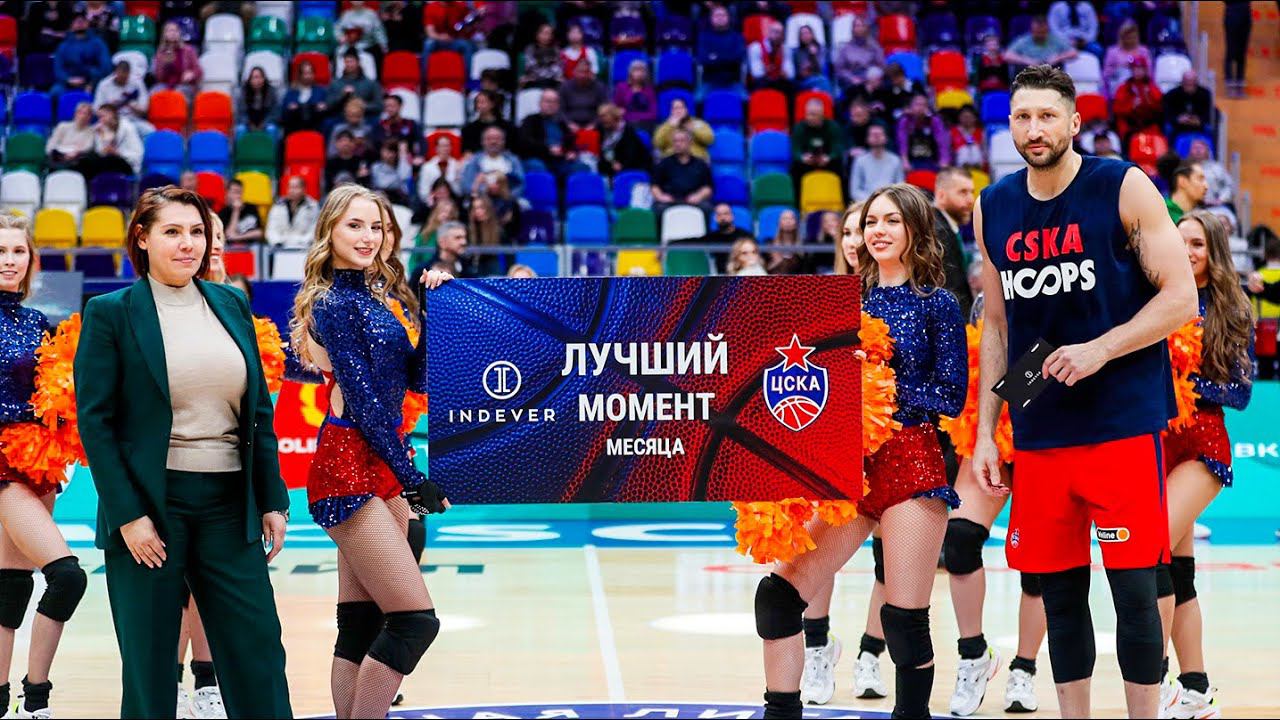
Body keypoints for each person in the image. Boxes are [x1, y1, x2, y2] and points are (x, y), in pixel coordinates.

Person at [972, 65, 1199, 719]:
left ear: (1074, 122)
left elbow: (1181, 298)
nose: (1034, 128)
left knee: (1135, 594)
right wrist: (987, 431)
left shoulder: (1121, 185)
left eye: (1047, 115)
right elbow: (997, 324)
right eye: (1022, 117)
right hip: (1041, 430)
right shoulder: (994, 205)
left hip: (1120, 425)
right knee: (1059, 596)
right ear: (1009, 126)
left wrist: (1101, 348)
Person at [75, 187, 293, 718]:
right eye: (172, 232)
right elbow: (97, 424)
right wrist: (129, 517)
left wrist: (272, 499)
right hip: (152, 507)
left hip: (229, 504)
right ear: (142, 238)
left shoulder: (231, 304)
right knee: (150, 669)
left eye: (196, 232)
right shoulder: (110, 313)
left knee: (259, 653)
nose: (188, 243)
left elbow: (258, 411)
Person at [756, 186, 967, 719]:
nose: (878, 231)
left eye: (891, 221)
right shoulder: (844, 303)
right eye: (872, 221)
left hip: (911, 467)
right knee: (777, 599)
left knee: (904, 621)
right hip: (847, 471)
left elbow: (951, 396)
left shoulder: (938, 304)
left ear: (916, 229)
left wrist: (877, 384)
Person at [289, 184, 449, 720]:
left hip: (381, 460)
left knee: (361, 625)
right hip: (348, 467)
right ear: (330, 231)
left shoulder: (381, 299)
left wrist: (432, 310)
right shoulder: (333, 304)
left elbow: (415, 381)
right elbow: (363, 405)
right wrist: (413, 478)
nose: (368, 237)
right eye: (354, 225)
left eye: (376, 227)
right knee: (414, 622)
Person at [1155, 211, 1254, 720]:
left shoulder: (1230, 309)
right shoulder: (1153, 297)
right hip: (1154, 443)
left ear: (1213, 252)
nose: (1187, 251)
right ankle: (1195, 689)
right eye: (1180, 242)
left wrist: (1182, 377)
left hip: (1200, 443)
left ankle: (1153, 680)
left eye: (1196, 243)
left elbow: (1239, 392)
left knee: (1150, 550)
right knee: (1179, 570)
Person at [0, 214, 88, 719]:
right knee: (67, 577)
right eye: (1, 251)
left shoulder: (38, 322)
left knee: (10, 588)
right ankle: (36, 700)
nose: (10, 260)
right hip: (1, 462)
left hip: (39, 460)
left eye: (19, 251)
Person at [932, 167, 976, 318]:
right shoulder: (937, 231)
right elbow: (949, 290)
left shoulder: (943, 226)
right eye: (963, 192)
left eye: (971, 192)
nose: (970, 200)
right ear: (941, 195)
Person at [459, 127, 525, 218]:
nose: (493, 142)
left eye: (497, 139)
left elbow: (520, 184)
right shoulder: (474, 160)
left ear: (503, 141)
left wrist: (507, 195)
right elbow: (466, 185)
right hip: (481, 201)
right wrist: (485, 190)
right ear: (483, 142)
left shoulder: (513, 160)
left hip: (507, 201)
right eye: (489, 139)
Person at [518, 89, 585, 178]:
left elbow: (572, 144)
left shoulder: (562, 124)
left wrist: (572, 152)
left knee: (582, 167)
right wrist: (548, 149)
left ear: (558, 105)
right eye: (548, 101)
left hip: (561, 160)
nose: (551, 105)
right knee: (537, 168)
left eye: (555, 102)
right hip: (539, 158)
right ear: (540, 103)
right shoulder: (530, 120)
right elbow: (525, 143)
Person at [651, 128, 714, 221]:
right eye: (675, 141)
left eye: (681, 141)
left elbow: (708, 188)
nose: (678, 144)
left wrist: (699, 196)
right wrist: (661, 197)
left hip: (693, 200)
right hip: (670, 201)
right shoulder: (664, 163)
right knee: (659, 209)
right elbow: (654, 186)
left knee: (706, 208)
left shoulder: (701, 164)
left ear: (690, 143)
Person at [53, 13, 112, 97]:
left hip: (92, 81)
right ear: (71, 25)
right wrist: (68, 80)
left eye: (83, 21)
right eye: (77, 21)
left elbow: (106, 66)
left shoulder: (98, 43)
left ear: (88, 24)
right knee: (55, 92)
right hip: (68, 82)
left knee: (101, 91)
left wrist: (92, 82)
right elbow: (58, 68)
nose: (80, 23)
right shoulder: (63, 46)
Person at [791, 98, 843, 186]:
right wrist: (802, 157)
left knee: (838, 164)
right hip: (807, 162)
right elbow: (795, 149)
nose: (810, 117)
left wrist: (829, 157)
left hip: (827, 161)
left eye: (814, 114)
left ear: (822, 115)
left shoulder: (833, 127)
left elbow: (837, 148)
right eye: (808, 114)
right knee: (795, 167)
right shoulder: (799, 127)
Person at [81, 104, 143, 178]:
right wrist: (101, 138)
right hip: (109, 162)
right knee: (86, 160)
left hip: (128, 164)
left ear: (112, 115)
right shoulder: (102, 128)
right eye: (98, 117)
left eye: (102, 116)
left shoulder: (128, 128)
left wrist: (117, 153)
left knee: (109, 161)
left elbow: (137, 154)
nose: (100, 120)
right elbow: (100, 152)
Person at [94, 59, 152, 134]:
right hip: (112, 122)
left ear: (129, 73)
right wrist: (109, 108)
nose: (123, 80)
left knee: (149, 130)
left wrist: (133, 106)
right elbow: (96, 109)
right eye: (120, 77)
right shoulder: (104, 85)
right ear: (115, 73)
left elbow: (144, 109)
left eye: (125, 78)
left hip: (133, 120)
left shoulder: (137, 83)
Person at [849, 124, 905, 202]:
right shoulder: (860, 161)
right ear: (867, 139)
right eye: (873, 135)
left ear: (886, 138)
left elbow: (900, 187)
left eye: (879, 134)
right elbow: (854, 191)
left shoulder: (895, 160)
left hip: (890, 201)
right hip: (866, 202)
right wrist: (872, 201)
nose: (876, 137)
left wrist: (887, 200)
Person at [897, 93, 952, 171]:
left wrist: (944, 160)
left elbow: (942, 142)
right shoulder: (905, 121)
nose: (921, 108)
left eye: (924, 105)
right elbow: (902, 142)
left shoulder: (934, 120)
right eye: (917, 104)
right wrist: (904, 160)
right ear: (911, 107)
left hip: (932, 161)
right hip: (911, 161)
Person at [1113, 57, 1163, 142]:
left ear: (1145, 70)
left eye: (1140, 69)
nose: (1138, 72)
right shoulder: (1123, 88)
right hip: (1130, 125)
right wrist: (1131, 106)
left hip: (1148, 124)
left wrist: (1148, 100)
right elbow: (1117, 109)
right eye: (1135, 69)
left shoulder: (1153, 88)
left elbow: (1160, 109)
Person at [698, 4, 746, 89]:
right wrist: (729, 56)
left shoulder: (737, 37)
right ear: (711, 18)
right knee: (698, 97)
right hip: (709, 81)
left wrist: (714, 57)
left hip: (733, 81)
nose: (720, 18)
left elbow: (739, 57)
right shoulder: (704, 37)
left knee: (744, 97)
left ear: (729, 18)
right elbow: (702, 59)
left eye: (723, 15)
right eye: (717, 15)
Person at [327, 49, 383, 121]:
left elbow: (379, 106)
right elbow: (328, 104)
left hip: (365, 118)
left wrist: (362, 105)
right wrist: (342, 95)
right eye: (347, 62)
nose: (349, 65)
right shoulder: (335, 83)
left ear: (358, 62)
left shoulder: (371, 83)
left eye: (351, 61)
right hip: (340, 117)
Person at [267, 176, 322, 250]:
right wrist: (277, 242)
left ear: (304, 189)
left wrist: (300, 242)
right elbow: (271, 229)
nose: (292, 190)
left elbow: (315, 229)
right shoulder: (278, 206)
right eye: (290, 187)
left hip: (304, 248)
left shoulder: (313, 206)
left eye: (296, 187)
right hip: (280, 247)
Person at [597, 103, 652, 177]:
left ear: (614, 116)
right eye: (600, 116)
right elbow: (602, 156)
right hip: (609, 170)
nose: (601, 119)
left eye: (604, 116)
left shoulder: (629, 133)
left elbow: (633, 157)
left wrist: (620, 165)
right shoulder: (602, 131)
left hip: (632, 170)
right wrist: (611, 165)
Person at [1004, 14, 1077, 70]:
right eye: (1037, 32)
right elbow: (1007, 55)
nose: (1040, 35)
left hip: (1051, 75)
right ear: (1032, 30)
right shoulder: (1024, 40)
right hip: (1028, 74)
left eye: (1043, 32)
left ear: (1047, 30)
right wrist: (1027, 60)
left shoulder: (1055, 39)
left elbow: (1073, 53)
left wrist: (1057, 58)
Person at [833, 15, 885, 91]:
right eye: (857, 26)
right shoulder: (846, 48)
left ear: (867, 28)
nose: (859, 28)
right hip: (851, 80)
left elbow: (881, 66)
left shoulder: (874, 47)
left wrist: (871, 79)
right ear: (852, 29)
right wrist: (852, 78)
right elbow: (839, 69)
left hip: (870, 79)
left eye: (862, 26)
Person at [152, 20, 202, 98]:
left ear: (179, 33)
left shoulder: (188, 50)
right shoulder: (160, 52)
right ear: (164, 34)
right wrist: (165, 64)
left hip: (184, 85)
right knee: (154, 92)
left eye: (175, 30)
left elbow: (199, 71)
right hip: (166, 85)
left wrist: (191, 74)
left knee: (178, 93)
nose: (173, 33)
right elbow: (158, 77)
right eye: (169, 31)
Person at [1102, 19, 1152, 98]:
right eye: (1128, 37)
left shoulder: (1143, 51)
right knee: (1124, 73)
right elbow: (1106, 74)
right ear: (1122, 37)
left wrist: (1136, 69)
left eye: (1133, 37)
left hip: (1140, 85)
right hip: (1118, 85)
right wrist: (1121, 68)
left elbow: (1149, 72)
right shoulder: (1112, 52)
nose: (1130, 40)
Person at [281, 60, 331, 135]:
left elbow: (326, 108)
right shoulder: (291, 92)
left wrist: (323, 107)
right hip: (295, 125)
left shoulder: (321, 91)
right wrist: (290, 108)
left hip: (315, 125)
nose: (308, 76)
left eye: (310, 73)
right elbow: (284, 111)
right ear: (300, 75)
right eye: (305, 73)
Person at [701, 203, 754, 272]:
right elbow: (693, 243)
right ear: (715, 218)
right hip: (721, 275)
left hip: (743, 273)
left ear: (732, 216)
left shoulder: (745, 236)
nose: (723, 218)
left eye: (726, 214)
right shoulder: (712, 237)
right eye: (719, 215)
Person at [1162, 71, 1213, 141]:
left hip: (1199, 125)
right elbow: (1167, 113)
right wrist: (1177, 119)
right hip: (1178, 125)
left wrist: (1199, 120)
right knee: (1168, 128)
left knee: (1209, 128)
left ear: (1196, 82)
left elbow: (1209, 113)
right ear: (1182, 82)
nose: (1190, 84)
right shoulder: (1172, 94)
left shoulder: (1205, 94)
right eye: (1187, 82)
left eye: (1192, 82)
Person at [560, 61, 608, 133]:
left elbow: (604, 108)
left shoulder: (599, 87)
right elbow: (560, 109)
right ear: (574, 72)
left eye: (586, 72)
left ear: (590, 73)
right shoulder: (565, 87)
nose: (583, 75)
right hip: (569, 125)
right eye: (580, 72)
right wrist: (569, 123)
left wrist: (594, 124)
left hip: (594, 125)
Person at [328, 97, 382, 161]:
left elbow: (373, 152)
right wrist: (344, 146)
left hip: (362, 161)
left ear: (362, 115)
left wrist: (364, 143)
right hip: (340, 161)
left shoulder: (368, 129)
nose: (354, 119)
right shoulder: (338, 129)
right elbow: (331, 152)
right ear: (346, 115)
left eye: (357, 116)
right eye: (351, 116)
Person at [1186, 139, 1234, 211]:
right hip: (1190, 208)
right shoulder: (1185, 169)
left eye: (1201, 148)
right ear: (1190, 152)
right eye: (1195, 148)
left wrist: (1221, 200)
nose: (1198, 150)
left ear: (1207, 151)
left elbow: (1228, 186)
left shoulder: (1217, 168)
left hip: (1215, 208)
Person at [747, 20, 794, 93]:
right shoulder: (755, 47)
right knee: (760, 84)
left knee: (791, 86)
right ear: (768, 33)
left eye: (781, 33)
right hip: (762, 81)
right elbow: (756, 73)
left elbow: (790, 74)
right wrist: (767, 70)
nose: (778, 35)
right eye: (775, 32)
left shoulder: (786, 49)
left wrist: (784, 73)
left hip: (779, 81)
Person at [46, 101, 96, 169]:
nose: (83, 116)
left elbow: (88, 146)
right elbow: (51, 144)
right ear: (75, 114)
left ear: (90, 117)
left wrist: (76, 152)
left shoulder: (91, 131)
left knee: (87, 158)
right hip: (60, 156)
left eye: (86, 114)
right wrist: (58, 154)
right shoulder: (62, 126)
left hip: (77, 158)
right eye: (80, 113)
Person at [613, 60, 658, 131]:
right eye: (636, 70)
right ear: (630, 72)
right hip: (625, 123)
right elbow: (615, 109)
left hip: (645, 124)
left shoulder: (649, 90)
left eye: (642, 71)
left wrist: (629, 115)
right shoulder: (621, 87)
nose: (639, 73)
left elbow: (653, 113)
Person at [236, 66, 280, 137]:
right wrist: (249, 124)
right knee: (240, 129)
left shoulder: (271, 91)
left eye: (260, 77)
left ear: (264, 78)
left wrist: (263, 124)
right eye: (254, 77)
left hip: (266, 123)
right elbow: (241, 113)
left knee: (271, 129)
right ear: (250, 79)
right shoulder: (243, 92)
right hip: (248, 124)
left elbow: (275, 112)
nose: (257, 80)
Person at [219, 179, 265, 245]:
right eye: (235, 192)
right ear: (228, 193)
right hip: (232, 248)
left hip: (253, 245)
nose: (238, 196)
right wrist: (236, 210)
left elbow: (259, 233)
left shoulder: (251, 207)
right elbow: (229, 236)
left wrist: (237, 237)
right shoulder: (223, 212)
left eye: (240, 192)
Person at [369, 140, 414, 205]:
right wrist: (397, 183)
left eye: (389, 151)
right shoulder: (376, 167)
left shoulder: (402, 166)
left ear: (395, 153)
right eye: (384, 151)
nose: (385, 154)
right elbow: (381, 183)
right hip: (381, 201)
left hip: (399, 201)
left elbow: (405, 178)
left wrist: (402, 155)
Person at [764, 209, 808, 275]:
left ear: (796, 223)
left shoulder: (804, 245)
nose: (788, 221)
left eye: (791, 218)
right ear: (779, 223)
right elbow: (764, 271)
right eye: (784, 218)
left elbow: (806, 271)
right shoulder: (769, 244)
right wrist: (776, 262)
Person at [1222, 0, 1251, 98]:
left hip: (1246, 13)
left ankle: (1240, 86)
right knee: (1230, 51)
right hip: (1232, 11)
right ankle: (1229, 87)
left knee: (1242, 52)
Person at [520, 23, 564, 90]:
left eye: (550, 34)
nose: (548, 36)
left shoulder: (556, 50)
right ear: (537, 34)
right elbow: (531, 68)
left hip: (552, 83)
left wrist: (546, 75)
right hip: (534, 83)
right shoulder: (530, 49)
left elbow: (558, 70)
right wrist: (547, 73)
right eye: (545, 33)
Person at [419, 135, 462, 201]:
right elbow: (423, 192)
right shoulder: (427, 167)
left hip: (453, 201)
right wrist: (432, 201)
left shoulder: (457, 165)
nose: (445, 149)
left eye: (447, 146)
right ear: (436, 148)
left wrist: (456, 177)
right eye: (442, 146)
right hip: (433, 202)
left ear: (451, 148)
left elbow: (460, 192)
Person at [792, 25, 831, 93]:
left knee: (823, 81)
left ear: (812, 35)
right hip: (803, 81)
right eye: (802, 34)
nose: (805, 36)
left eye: (807, 33)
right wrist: (809, 56)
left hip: (819, 78)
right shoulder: (797, 52)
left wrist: (814, 56)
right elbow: (800, 73)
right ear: (799, 37)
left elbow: (821, 69)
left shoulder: (821, 49)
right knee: (822, 82)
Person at [1165, 160, 1206, 224]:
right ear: (1182, 181)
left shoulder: (1200, 216)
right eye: (1200, 179)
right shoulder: (1163, 212)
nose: (1206, 186)